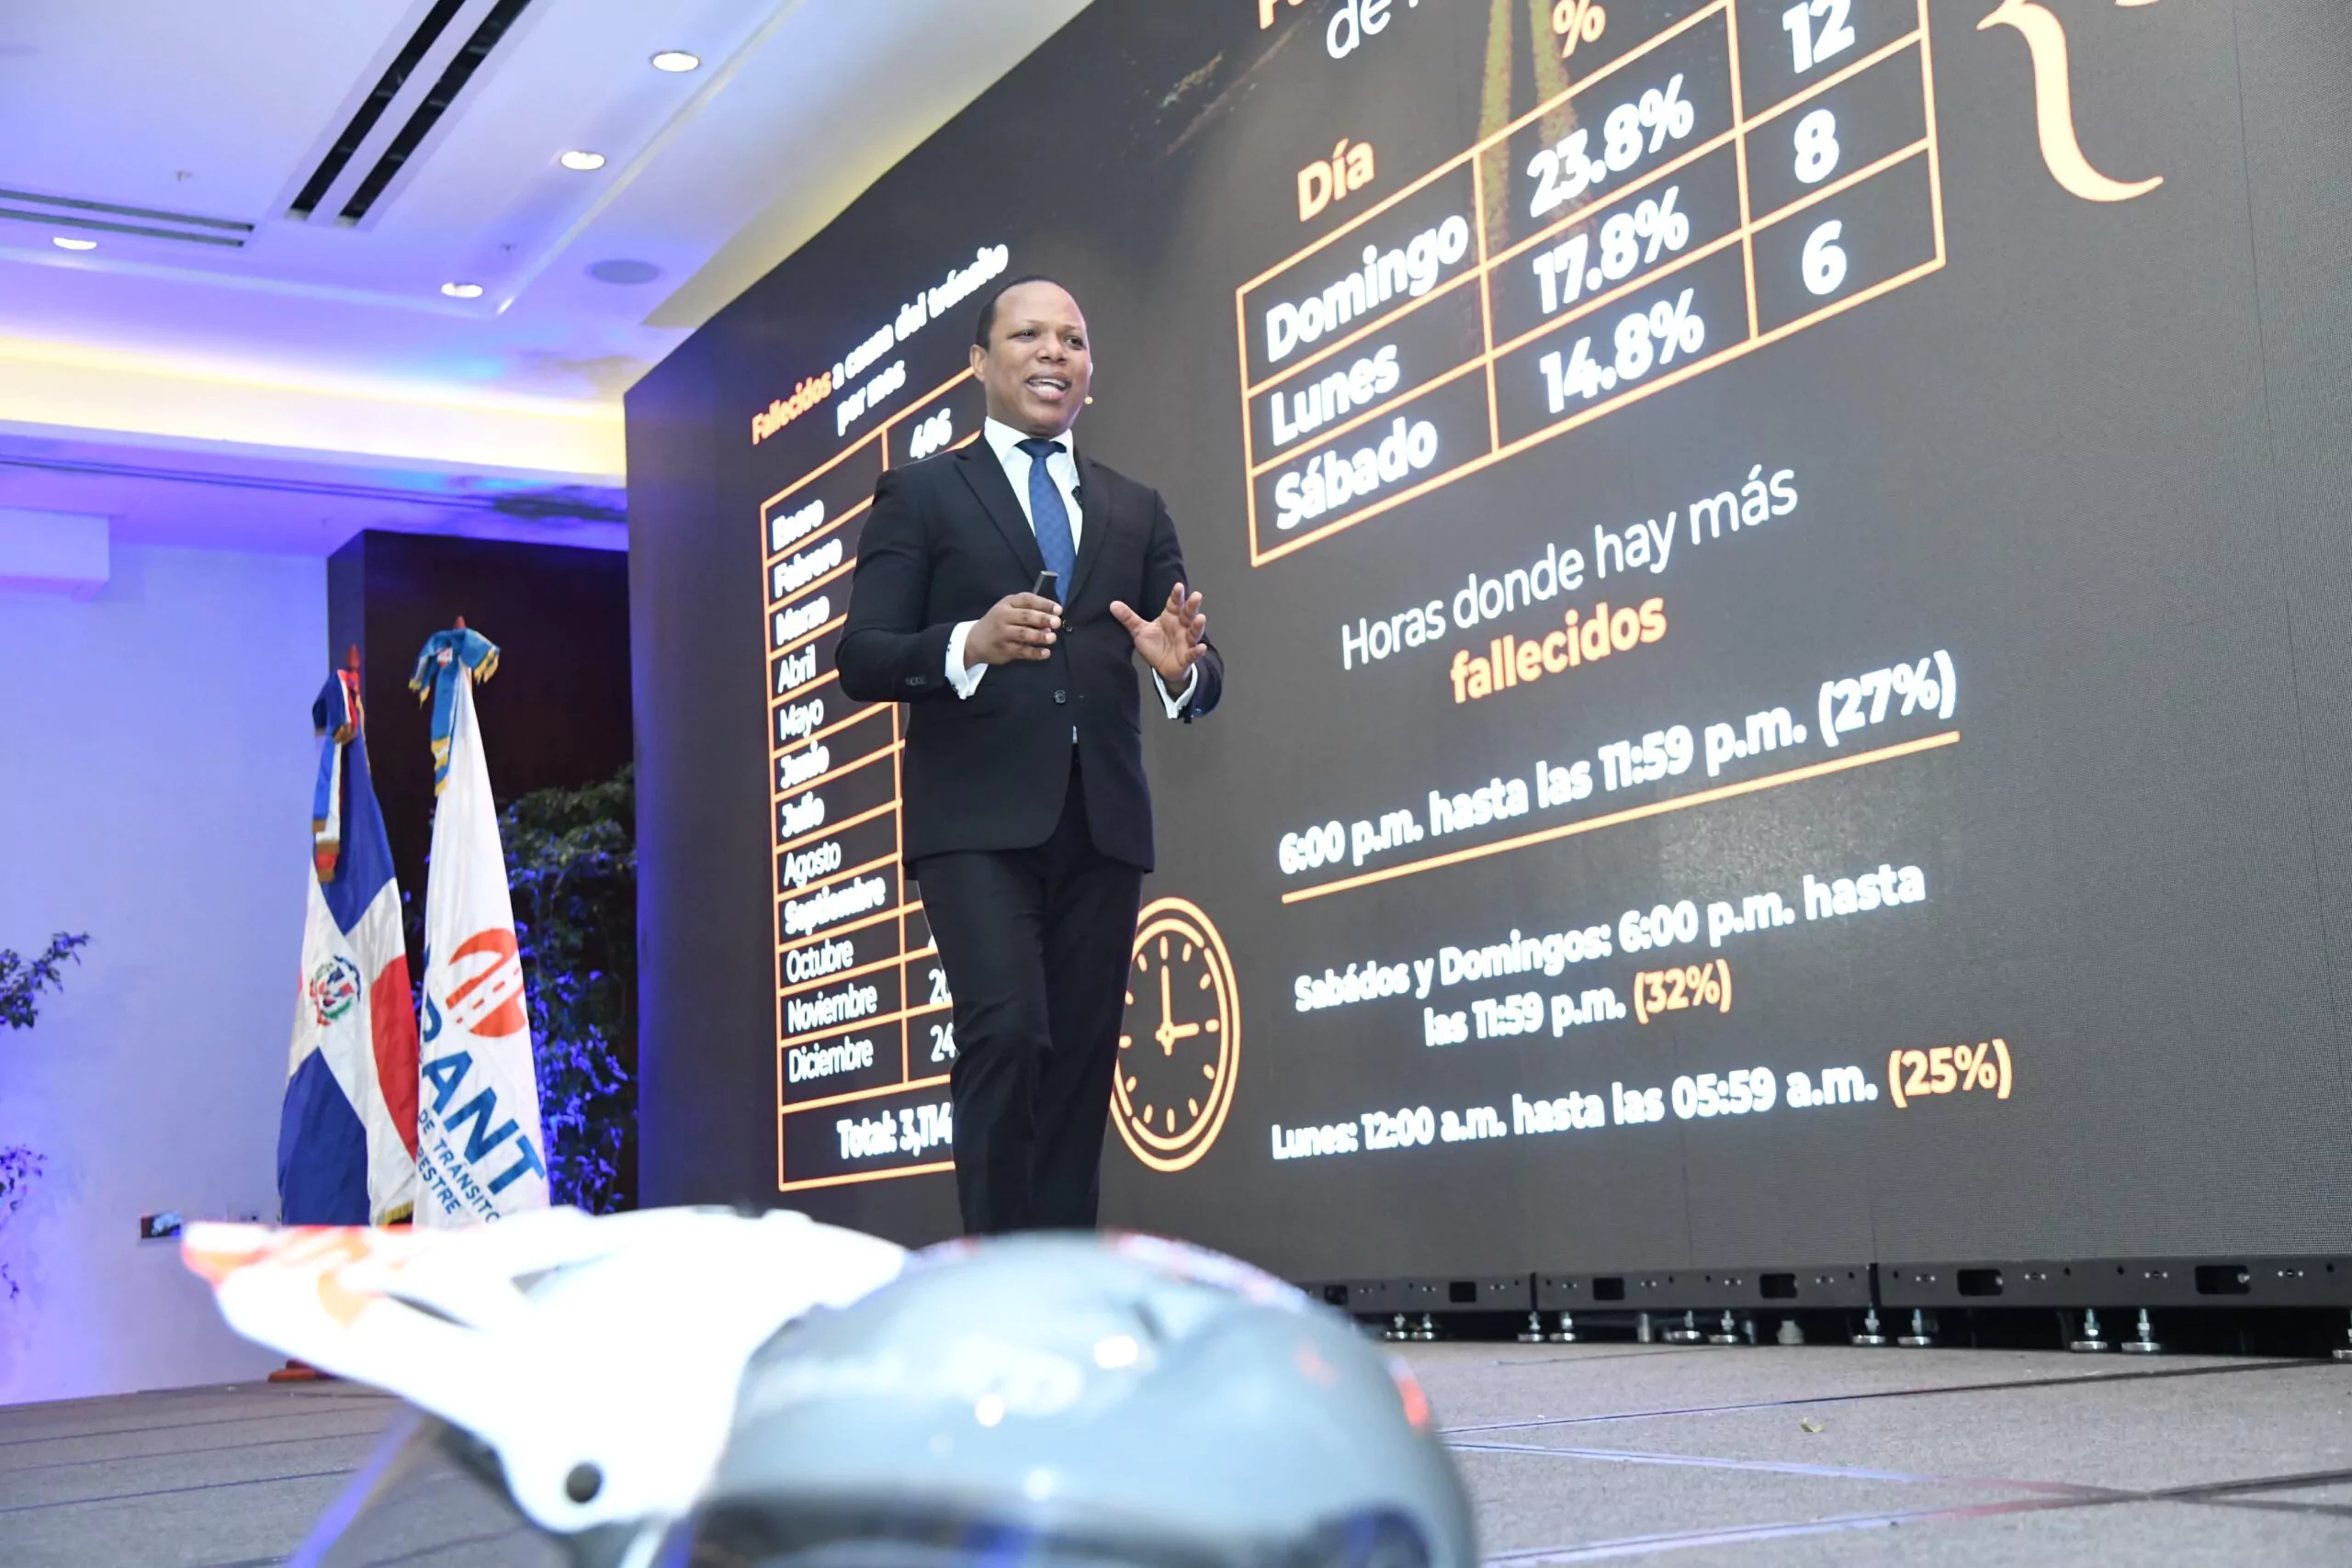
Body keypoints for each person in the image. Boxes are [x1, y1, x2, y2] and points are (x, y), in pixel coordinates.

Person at [838, 276, 1223, 1235]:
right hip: (975, 825)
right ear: (979, 361)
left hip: (1103, 825)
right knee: (1007, 1031)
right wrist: (967, 643)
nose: (1054, 353)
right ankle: (997, 1273)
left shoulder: (1137, 508)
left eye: (1073, 340)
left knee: (1081, 1065)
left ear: (1090, 371)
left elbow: (1200, 665)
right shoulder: (923, 492)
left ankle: (1060, 1280)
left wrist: (1182, 670)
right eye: (1028, 336)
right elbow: (862, 657)